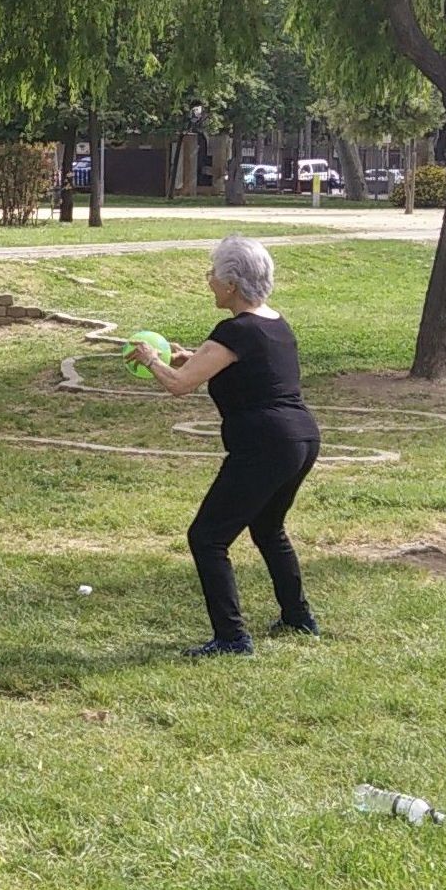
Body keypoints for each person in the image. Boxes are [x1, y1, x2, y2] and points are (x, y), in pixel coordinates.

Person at [129, 235, 322, 657]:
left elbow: (180, 386)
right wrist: (192, 355)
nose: (209, 281)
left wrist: (152, 360)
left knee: (207, 538)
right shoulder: (273, 322)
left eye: (213, 274)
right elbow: (243, 361)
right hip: (301, 439)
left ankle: (232, 638)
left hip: (265, 445)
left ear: (231, 285)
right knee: (268, 529)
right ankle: (297, 617)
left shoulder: (233, 330)